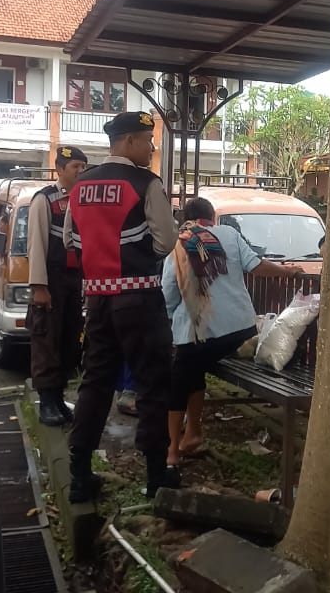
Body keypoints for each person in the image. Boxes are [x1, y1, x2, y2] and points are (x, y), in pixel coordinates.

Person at [63, 111, 180, 501]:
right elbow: (166, 241)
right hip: (140, 298)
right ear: (129, 141)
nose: (152, 147)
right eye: (148, 140)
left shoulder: (81, 184)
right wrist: (138, 256)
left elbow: (69, 240)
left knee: (95, 382)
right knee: (152, 384)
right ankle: (155, 477)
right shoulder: (146, 183)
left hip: (98, 300)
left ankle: (79, 475)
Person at [162, 197, 300, 467]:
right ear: (212, 218)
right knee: (193, 368)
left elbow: (168, 294)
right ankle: (193, 434)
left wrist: (168, 320)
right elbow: (256, 265)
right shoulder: (229, 234)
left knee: (180, 374)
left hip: (201, 336)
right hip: (240, 330)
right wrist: (288, 271)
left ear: (185, 219)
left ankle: (172, 450)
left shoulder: (179, 245)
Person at [28, 145, 89, 427]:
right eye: (75, 166)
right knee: (47, 340)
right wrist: (39, 286)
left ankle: (59, 398)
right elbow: (36, 243)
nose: (80, 171)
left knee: (69, 338)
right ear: (60, 169)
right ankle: (46, 402)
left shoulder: (84, 198)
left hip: (74, 281)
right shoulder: (45, 199)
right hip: (51, 280)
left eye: (83, 167)